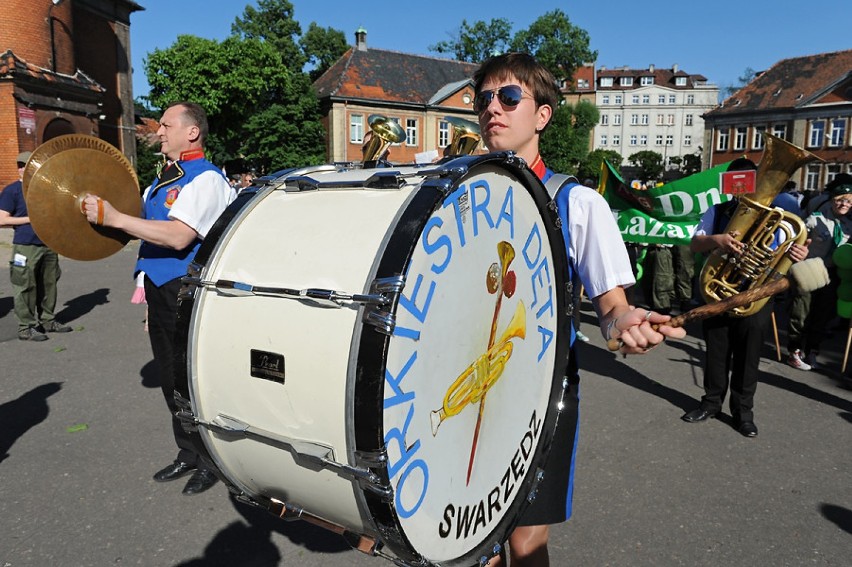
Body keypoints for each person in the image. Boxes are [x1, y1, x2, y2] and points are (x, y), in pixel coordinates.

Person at [473, 52, 686, 567]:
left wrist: (624, 322)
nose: (492, 110)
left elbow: (611, 306)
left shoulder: (578, 202)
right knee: (473, 546)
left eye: (508, 97)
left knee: (525, 543)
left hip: (541, 397)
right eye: (483, 99)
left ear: (541, 115)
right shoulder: (461, 193)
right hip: (471, 393)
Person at [81, 102, 236, 495]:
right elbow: (151, 235)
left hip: (187, 290)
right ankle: (187, 452)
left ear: (192, 132)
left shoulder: (205, 180)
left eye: (167, 125)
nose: (159, 131)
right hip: (162, 290)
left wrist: (115, 218)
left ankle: (212, 460)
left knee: (193, 378)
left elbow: (178, 236)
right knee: (170, 376)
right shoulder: (166, 179)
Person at [682, 158, 809, 437]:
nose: (741, 187)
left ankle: (743, 412)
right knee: (716, 351)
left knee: (748, 355)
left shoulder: (778, 215)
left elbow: (783, 254)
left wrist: (796, 254)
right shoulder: (717, 210)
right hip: (717, 289)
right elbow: (694, 243)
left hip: (756, 293)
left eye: (748, 180)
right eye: (736, 181)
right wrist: (718, 240)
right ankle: (711, 403)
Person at [0, 151, 73, 341]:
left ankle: (48, 320)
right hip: (25, 246)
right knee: (24, 286)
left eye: (31, 166)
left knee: (49, 284)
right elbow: (2, 220)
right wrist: (30, 219)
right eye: (23, 166)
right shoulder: (12, 190)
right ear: (20, 168)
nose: (26, 169)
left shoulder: (47, 189)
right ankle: (26, 327)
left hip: (49, 243)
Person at [787, 173, 852, 370]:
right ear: (832, 199)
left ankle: (813, 349)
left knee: (822, 314)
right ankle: (795, 350)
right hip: (808, 271)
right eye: (840, 199)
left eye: (848, 201)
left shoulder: (850, 224)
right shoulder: (814, 220)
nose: (843, 204)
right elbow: (795, 236)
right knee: (801, 312)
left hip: (832, 275)